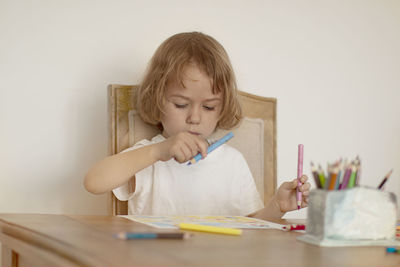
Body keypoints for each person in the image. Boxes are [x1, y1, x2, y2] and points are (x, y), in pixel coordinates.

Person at [84, 32, 310, 220]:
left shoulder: (232, 161)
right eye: (181, 104)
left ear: (222, 108)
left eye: (209, 107)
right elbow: (93, 182)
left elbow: (251, 228)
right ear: (156, 99)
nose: (194, 117)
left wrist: (277, 207)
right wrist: (158, 151)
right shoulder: (148, 157)